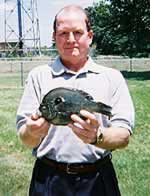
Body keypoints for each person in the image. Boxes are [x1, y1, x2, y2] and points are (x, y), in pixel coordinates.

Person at [16, 4, 135, 196]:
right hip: (49, 178)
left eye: (78, 32)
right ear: (54, 37)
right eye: (63, 33)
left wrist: (98, 136)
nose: (71, 40)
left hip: (98, 178)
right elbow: (24, 137)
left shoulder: (112, 77)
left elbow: (124, 136)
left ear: (90, 36)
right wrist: (32, 131)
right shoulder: (38, 76)